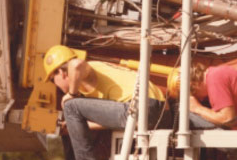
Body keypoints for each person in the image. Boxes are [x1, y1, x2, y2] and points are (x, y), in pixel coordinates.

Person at [43, 45, 171, 160]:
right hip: (159, 113)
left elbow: (76, 64)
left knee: (71, 107)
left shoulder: (88, 70)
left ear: (61, 72)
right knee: (74, 110)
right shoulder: (101, 75)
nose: (56, 86)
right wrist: (75, 125)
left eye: (53, 80)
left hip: (140, 108)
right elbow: (113, 119)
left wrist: (71, 94)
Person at [183, 63, 237, 130]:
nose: (200, 99)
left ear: (194, 84)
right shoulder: (218, 72)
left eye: (195, 94)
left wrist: (197, 108)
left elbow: (227, 119)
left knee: (184, 112)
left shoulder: (214, 80)